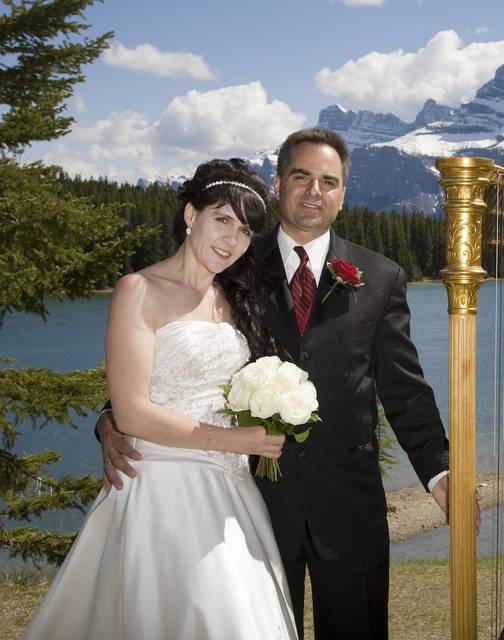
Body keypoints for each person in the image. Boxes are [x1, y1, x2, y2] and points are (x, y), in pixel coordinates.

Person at [97, 128, 450, 640]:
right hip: (251, 505)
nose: (314, 191)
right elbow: (172, 356)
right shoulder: (231, 263)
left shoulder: (381, 275)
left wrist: (440, 475)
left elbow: (405, 390)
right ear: (279, 183)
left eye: (328, 181)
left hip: (349, 506)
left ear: (343, 194)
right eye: (301, 176)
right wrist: (109, 420)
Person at [24, 159, 299, 639]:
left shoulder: (233, 299)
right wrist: (232, 439)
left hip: (232, 492)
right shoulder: (138, 289)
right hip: (163, 488)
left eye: (245, 230)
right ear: (191, 215)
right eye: (222, 220)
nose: (232, 240)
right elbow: (129, 410)